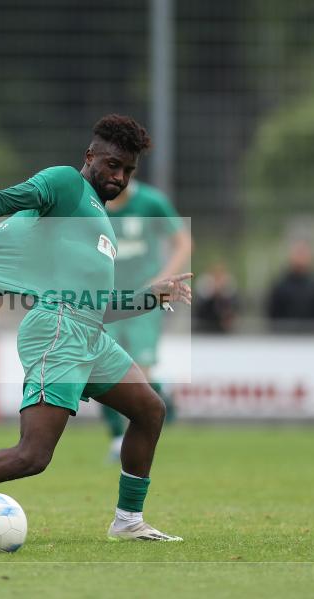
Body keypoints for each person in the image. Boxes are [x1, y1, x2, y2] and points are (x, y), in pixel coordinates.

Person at [0, 114, 193, 543]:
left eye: (128, 170)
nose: (120, 177)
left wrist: (148, 297)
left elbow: (97, 308)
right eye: (113, 165)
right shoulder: (66, 184)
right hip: (58, 332)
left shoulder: (98, 219)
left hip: (89, 334)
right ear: (90, 156)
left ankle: (128, 521)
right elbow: (7, 198)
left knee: (150, 410)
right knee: (32, 455)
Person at [102, 180, 192, 458]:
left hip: (144, 302)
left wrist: (162, 281)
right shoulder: (93, 204)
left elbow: (184, 242)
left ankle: (137, 434)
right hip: (105, 301)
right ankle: (117, 438)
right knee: (101, 367)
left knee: (139, 371)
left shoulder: (151, 202)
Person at [265, 240, 314, 333]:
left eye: (303, 254)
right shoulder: (280, 286)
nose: (300, 258)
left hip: (310, 337)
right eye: (298, 253)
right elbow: (273, 315)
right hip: (284, 337)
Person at [194, 261, 239, 333]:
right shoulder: (204, 286)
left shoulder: (230, 290)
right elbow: (200, 307)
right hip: (205, 326)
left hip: (224, 330)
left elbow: (234, 307)